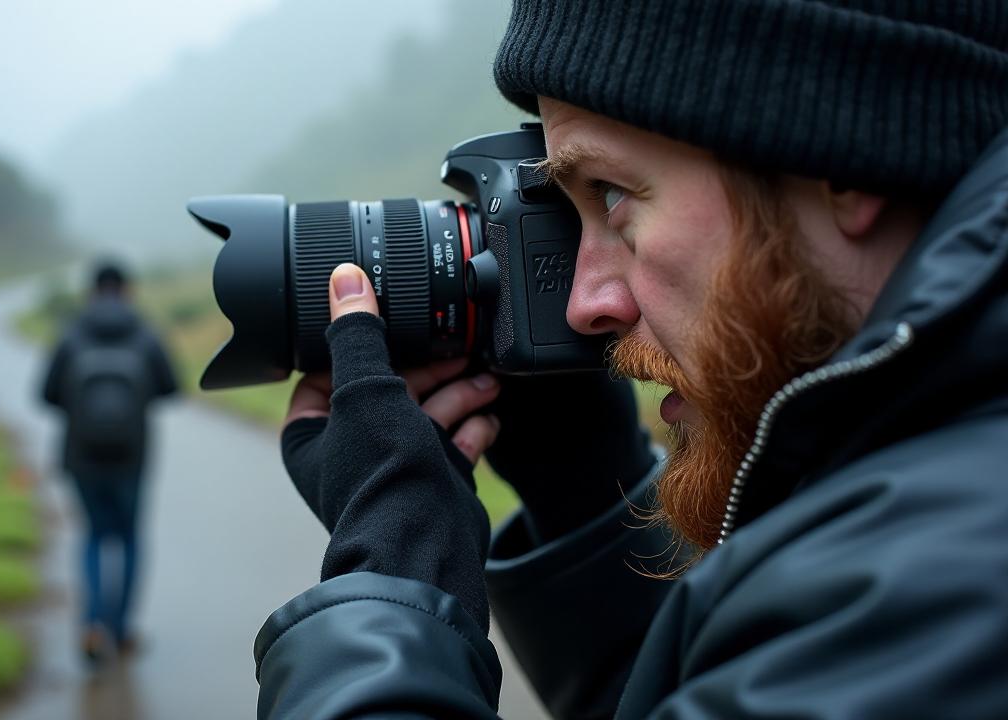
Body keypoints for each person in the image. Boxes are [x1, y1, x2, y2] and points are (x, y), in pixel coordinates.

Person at [259, 2, 1008, 718]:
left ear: (845, 162)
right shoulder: (934, 508)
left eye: (612, 194)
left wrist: (392, 585)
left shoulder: (943, 578)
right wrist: (587, 495)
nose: (587, 304)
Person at [41, 262, 177, 662]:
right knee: (130, 538)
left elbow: (45, 394)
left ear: (92, 290)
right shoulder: (146, 332)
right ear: (127, 290)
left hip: (82, 458)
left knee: (95, 536)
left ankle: (92, 624)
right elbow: (170, 387)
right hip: (132, 458)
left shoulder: (71, 332)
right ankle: (120, 630)